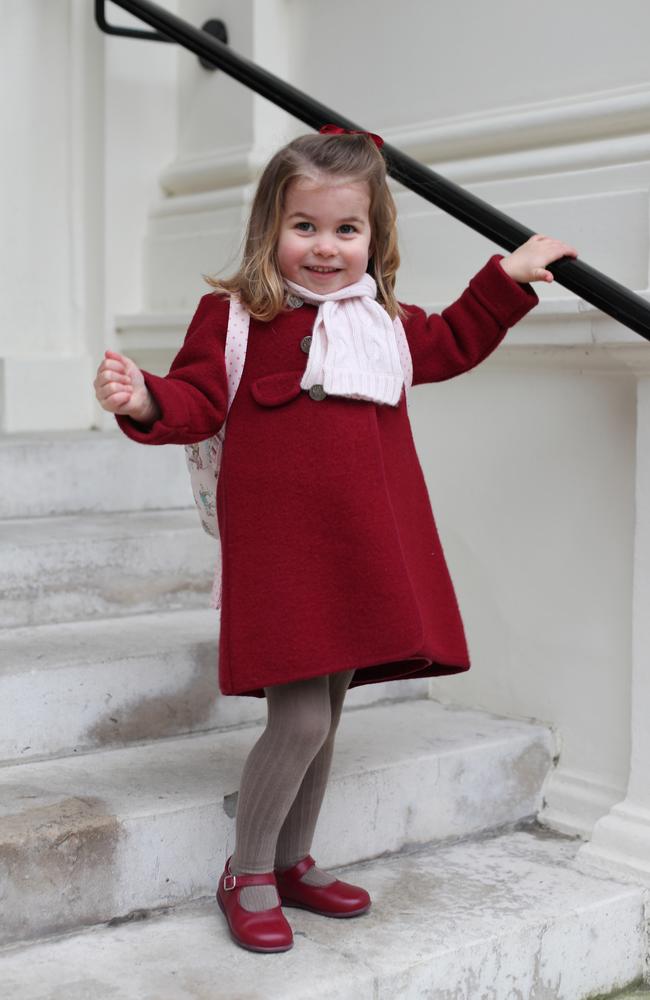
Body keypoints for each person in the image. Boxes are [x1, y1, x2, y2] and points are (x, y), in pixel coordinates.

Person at [94, 126, 578, 954]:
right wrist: (143, 398)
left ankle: (290, 859)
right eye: (304, 227)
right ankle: (245, 871)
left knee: (332, 709)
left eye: (346, 230)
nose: (325, 248)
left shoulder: (381, 319)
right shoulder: (238, 317)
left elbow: (455, 339)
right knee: (301, 722)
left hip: (361, 548)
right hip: (285, 556)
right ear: (268, 229)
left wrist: (506, 278)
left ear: (374, 237)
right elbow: (198, 398)